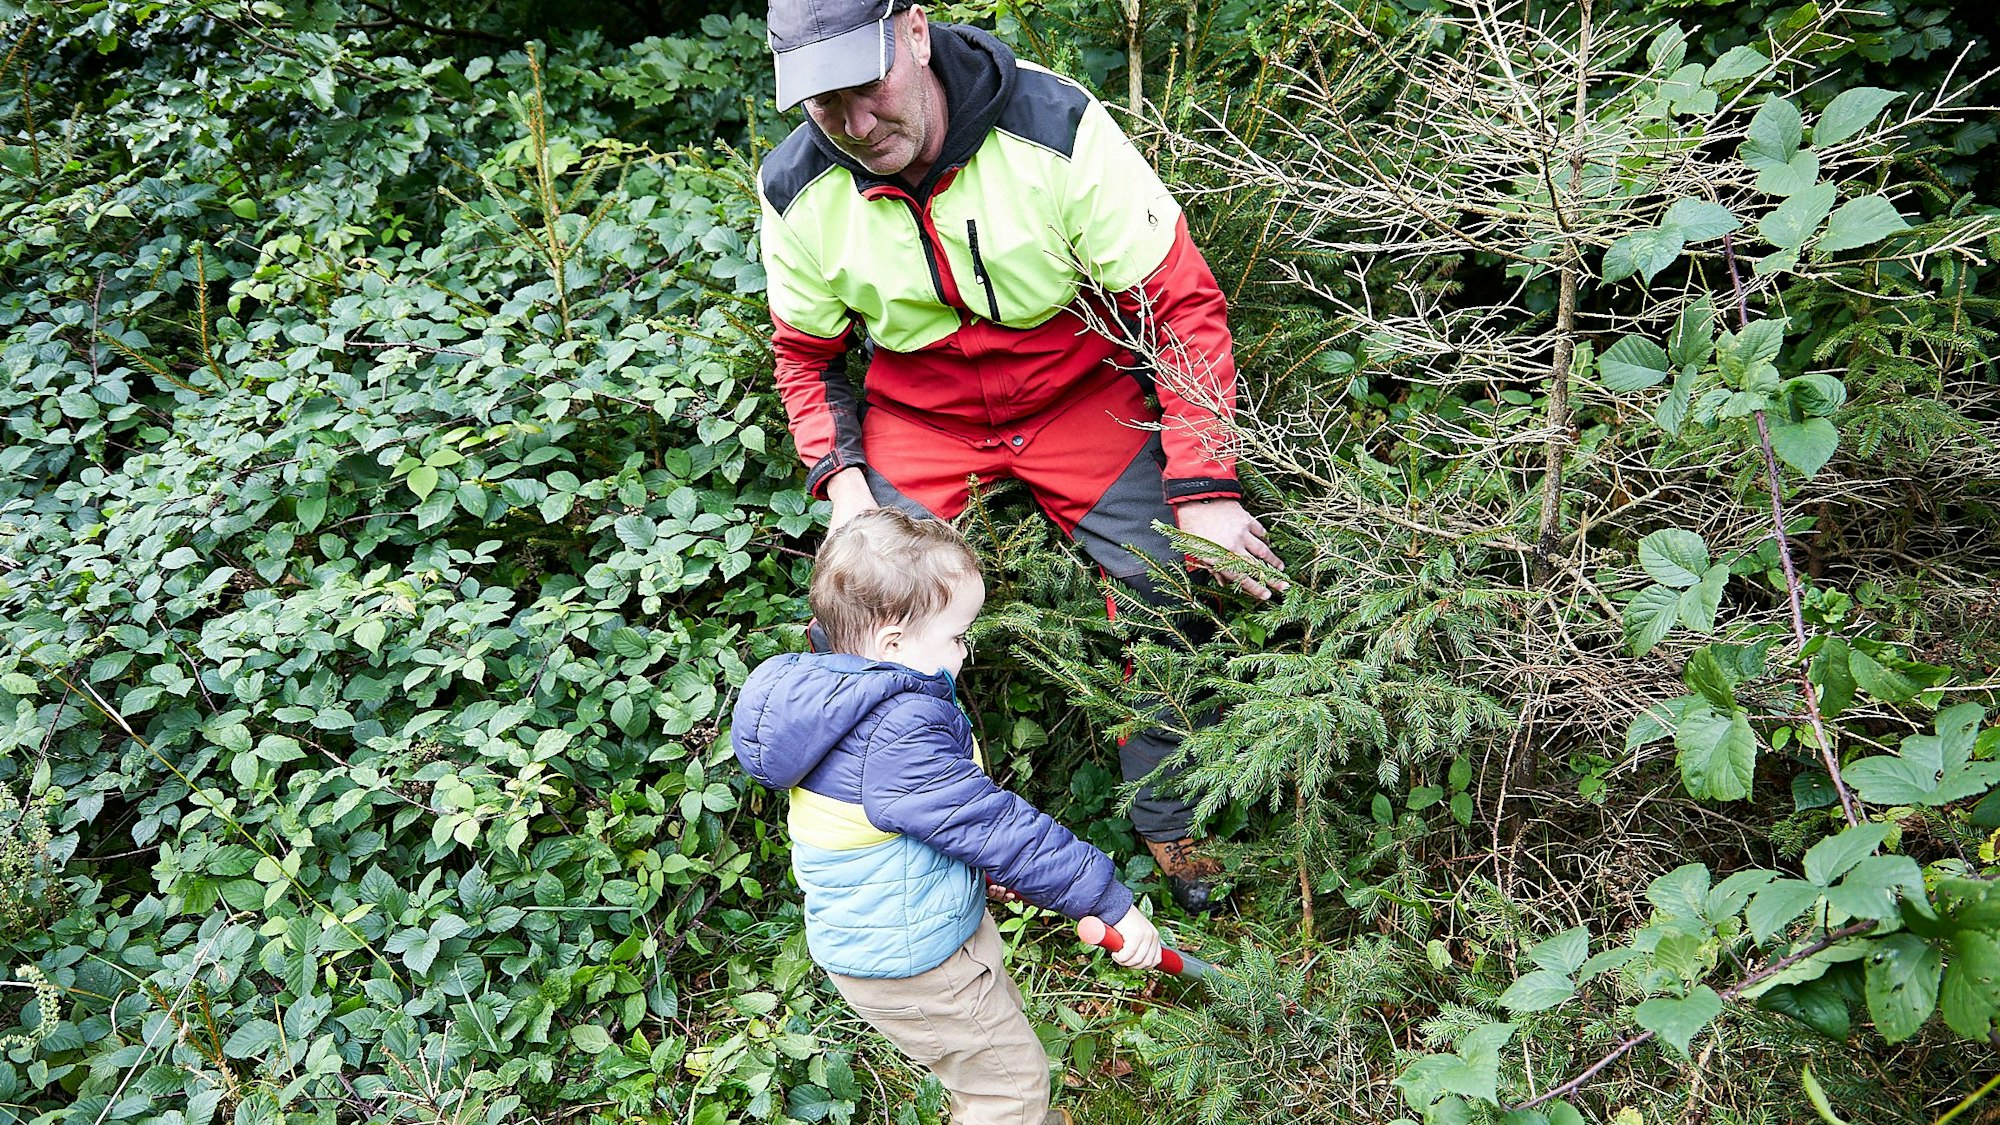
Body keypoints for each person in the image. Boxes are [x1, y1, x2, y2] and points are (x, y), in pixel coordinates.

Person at [758, 0, 1286, 911]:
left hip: (1076, 388)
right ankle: (926, 826)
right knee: (858, 613)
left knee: (1165, 583)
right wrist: (844, 488)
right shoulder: (796, 187)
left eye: (867, 86)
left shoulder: (1054, 124)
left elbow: (1180, 306)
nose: (855, 123)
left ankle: (1168, 820)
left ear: (914, 32)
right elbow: (805, 359)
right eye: (823, 102)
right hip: (922, 411)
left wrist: (1205, 483)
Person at [732, 508, 1164, 1125]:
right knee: (1010, 1090)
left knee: (997, 1047)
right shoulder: (894, 734)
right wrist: (1107, 901)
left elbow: (921, 826)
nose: (965, 650)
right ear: (894, 644)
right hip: (915, 964)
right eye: (958, 635)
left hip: (919, 931)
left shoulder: (844, 701)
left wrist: (960, 871)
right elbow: (996, 828)